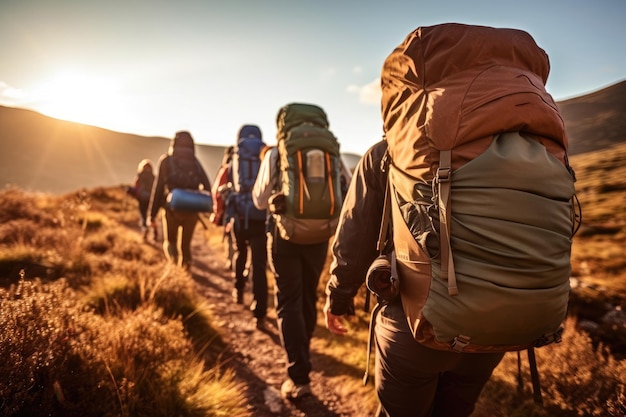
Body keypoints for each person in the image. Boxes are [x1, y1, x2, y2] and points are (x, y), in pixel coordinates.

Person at [324, 140, 504, 416]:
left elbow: (355, 237)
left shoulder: (390, 150)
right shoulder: (513, 148)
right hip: (492, 326)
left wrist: (338, 298)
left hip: (413, 323)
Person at [148, 131, 211, 270]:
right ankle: (186, 271)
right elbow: (207, 186)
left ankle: (174, 270)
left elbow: (158, 189)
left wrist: (151, 215)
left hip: (171, 210)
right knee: (185, 246)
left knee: (170, 242)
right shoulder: (195, 162)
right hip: (192, 211)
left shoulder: (166, 160)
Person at [226, 125, 268, 329]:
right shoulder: (265, 154)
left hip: (240, 216)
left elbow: (229, 183)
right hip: (261, 217)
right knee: (259, 265)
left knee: (240, 253)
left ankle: (239, 290)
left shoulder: (235, 156)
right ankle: (260, 312)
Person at [128, 158, 157, 242]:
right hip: (152, 199)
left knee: (143, 216)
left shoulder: (140, 176)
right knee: (152, 216)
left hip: (142, 199)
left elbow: (136, 187)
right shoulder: (153, 177)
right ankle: (155, 231)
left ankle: (145, 231)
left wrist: (132, 192)